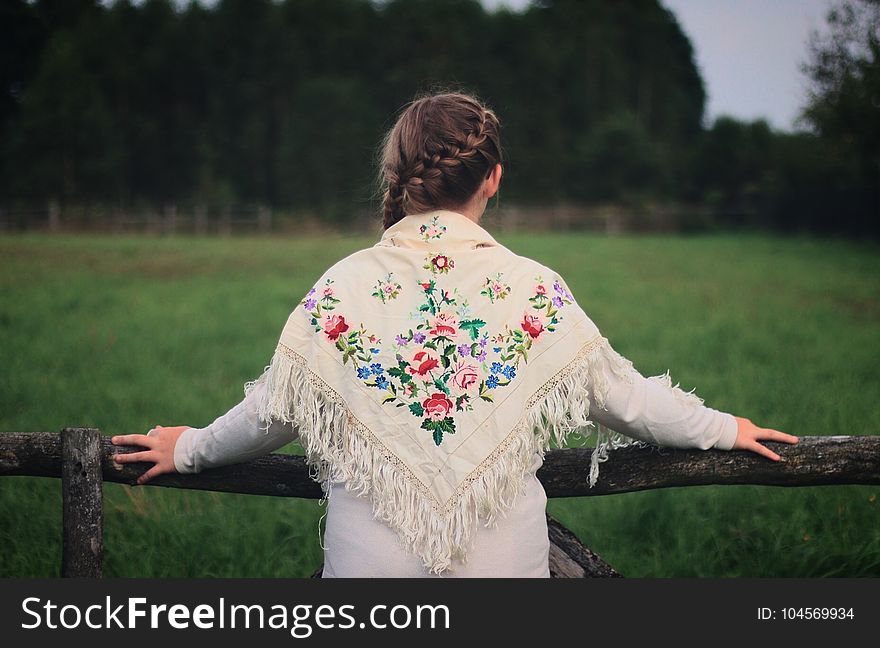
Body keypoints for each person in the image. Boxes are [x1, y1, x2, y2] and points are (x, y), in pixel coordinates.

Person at [110, 91, 799, 578]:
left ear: (395, 178)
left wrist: (191, 449)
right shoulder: (534, 288)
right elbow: (629, 400)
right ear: (493, 179)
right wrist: (724, 428)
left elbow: (273, 411)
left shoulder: (343, 285)